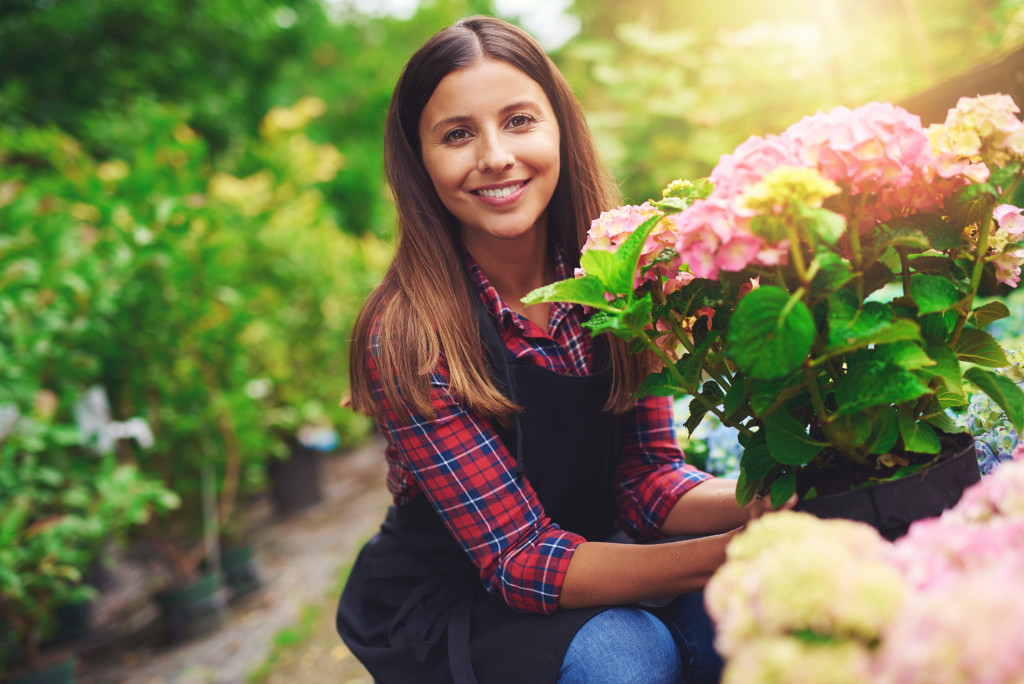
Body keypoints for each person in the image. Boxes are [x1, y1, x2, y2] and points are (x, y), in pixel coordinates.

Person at [337, 15, 786, 684]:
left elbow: (648, 482)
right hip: (469, 593)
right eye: (457, 134)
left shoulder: (616, 282)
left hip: (593, 551)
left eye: (519, 120)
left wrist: (773, 496)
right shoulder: (408, 335)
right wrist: (746, 545)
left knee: (752, 612)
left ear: (560, 130)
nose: (494, 155)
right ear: (420, 160)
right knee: (626, 655)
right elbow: (521, 559)